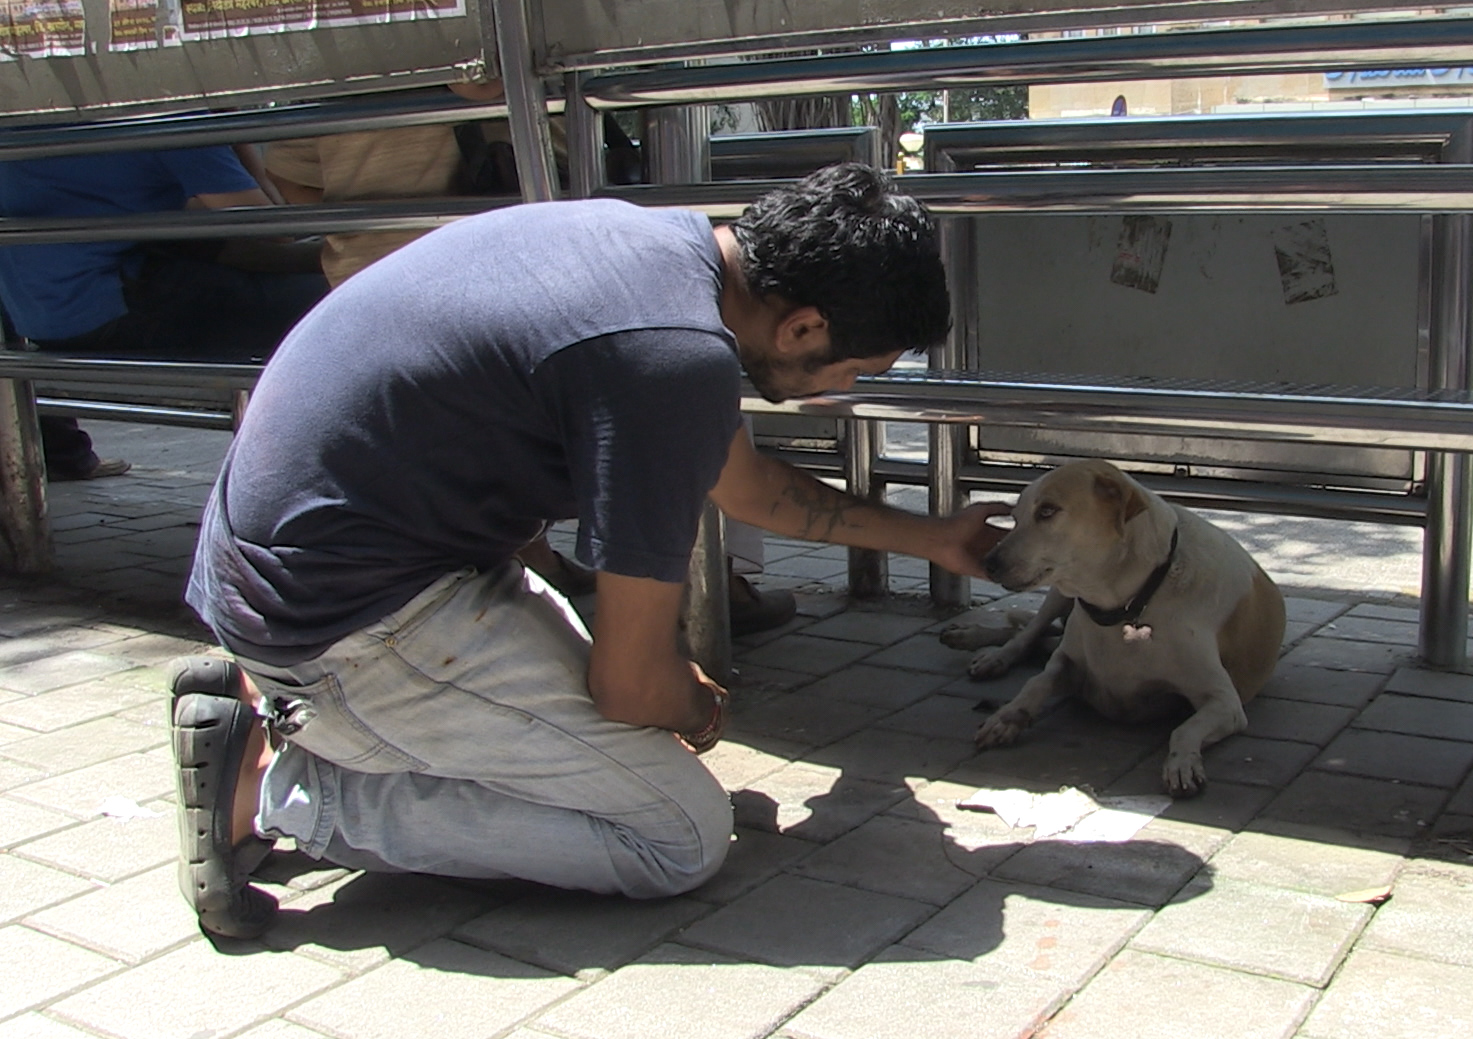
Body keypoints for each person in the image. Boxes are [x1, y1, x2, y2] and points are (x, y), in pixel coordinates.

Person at [174, 163, 1005, 939]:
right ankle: (294, 789)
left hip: (309, 569)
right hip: (342, 622)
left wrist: (934, 539)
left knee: (632, 758)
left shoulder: (664, 254)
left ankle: (281, 700)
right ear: (804, 326)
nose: (845, 390)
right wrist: (695, 709)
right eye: (853, 370)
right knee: (677, 834)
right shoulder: (670, 362)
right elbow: (630, 685)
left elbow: (746, 489)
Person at [264, 94, 795, 630]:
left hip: (372, 289)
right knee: (665, 397)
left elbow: (290, 178)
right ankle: (695, 582)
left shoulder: (327, 42)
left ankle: (535, 564)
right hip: (546, 283)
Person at [0, 143, 328, 480]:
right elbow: (274, 228)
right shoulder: (174, 120)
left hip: (35, 318)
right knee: (334, 300)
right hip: (116, 309)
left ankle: (62, 456)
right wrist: (236, 140)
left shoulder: (27, 115)